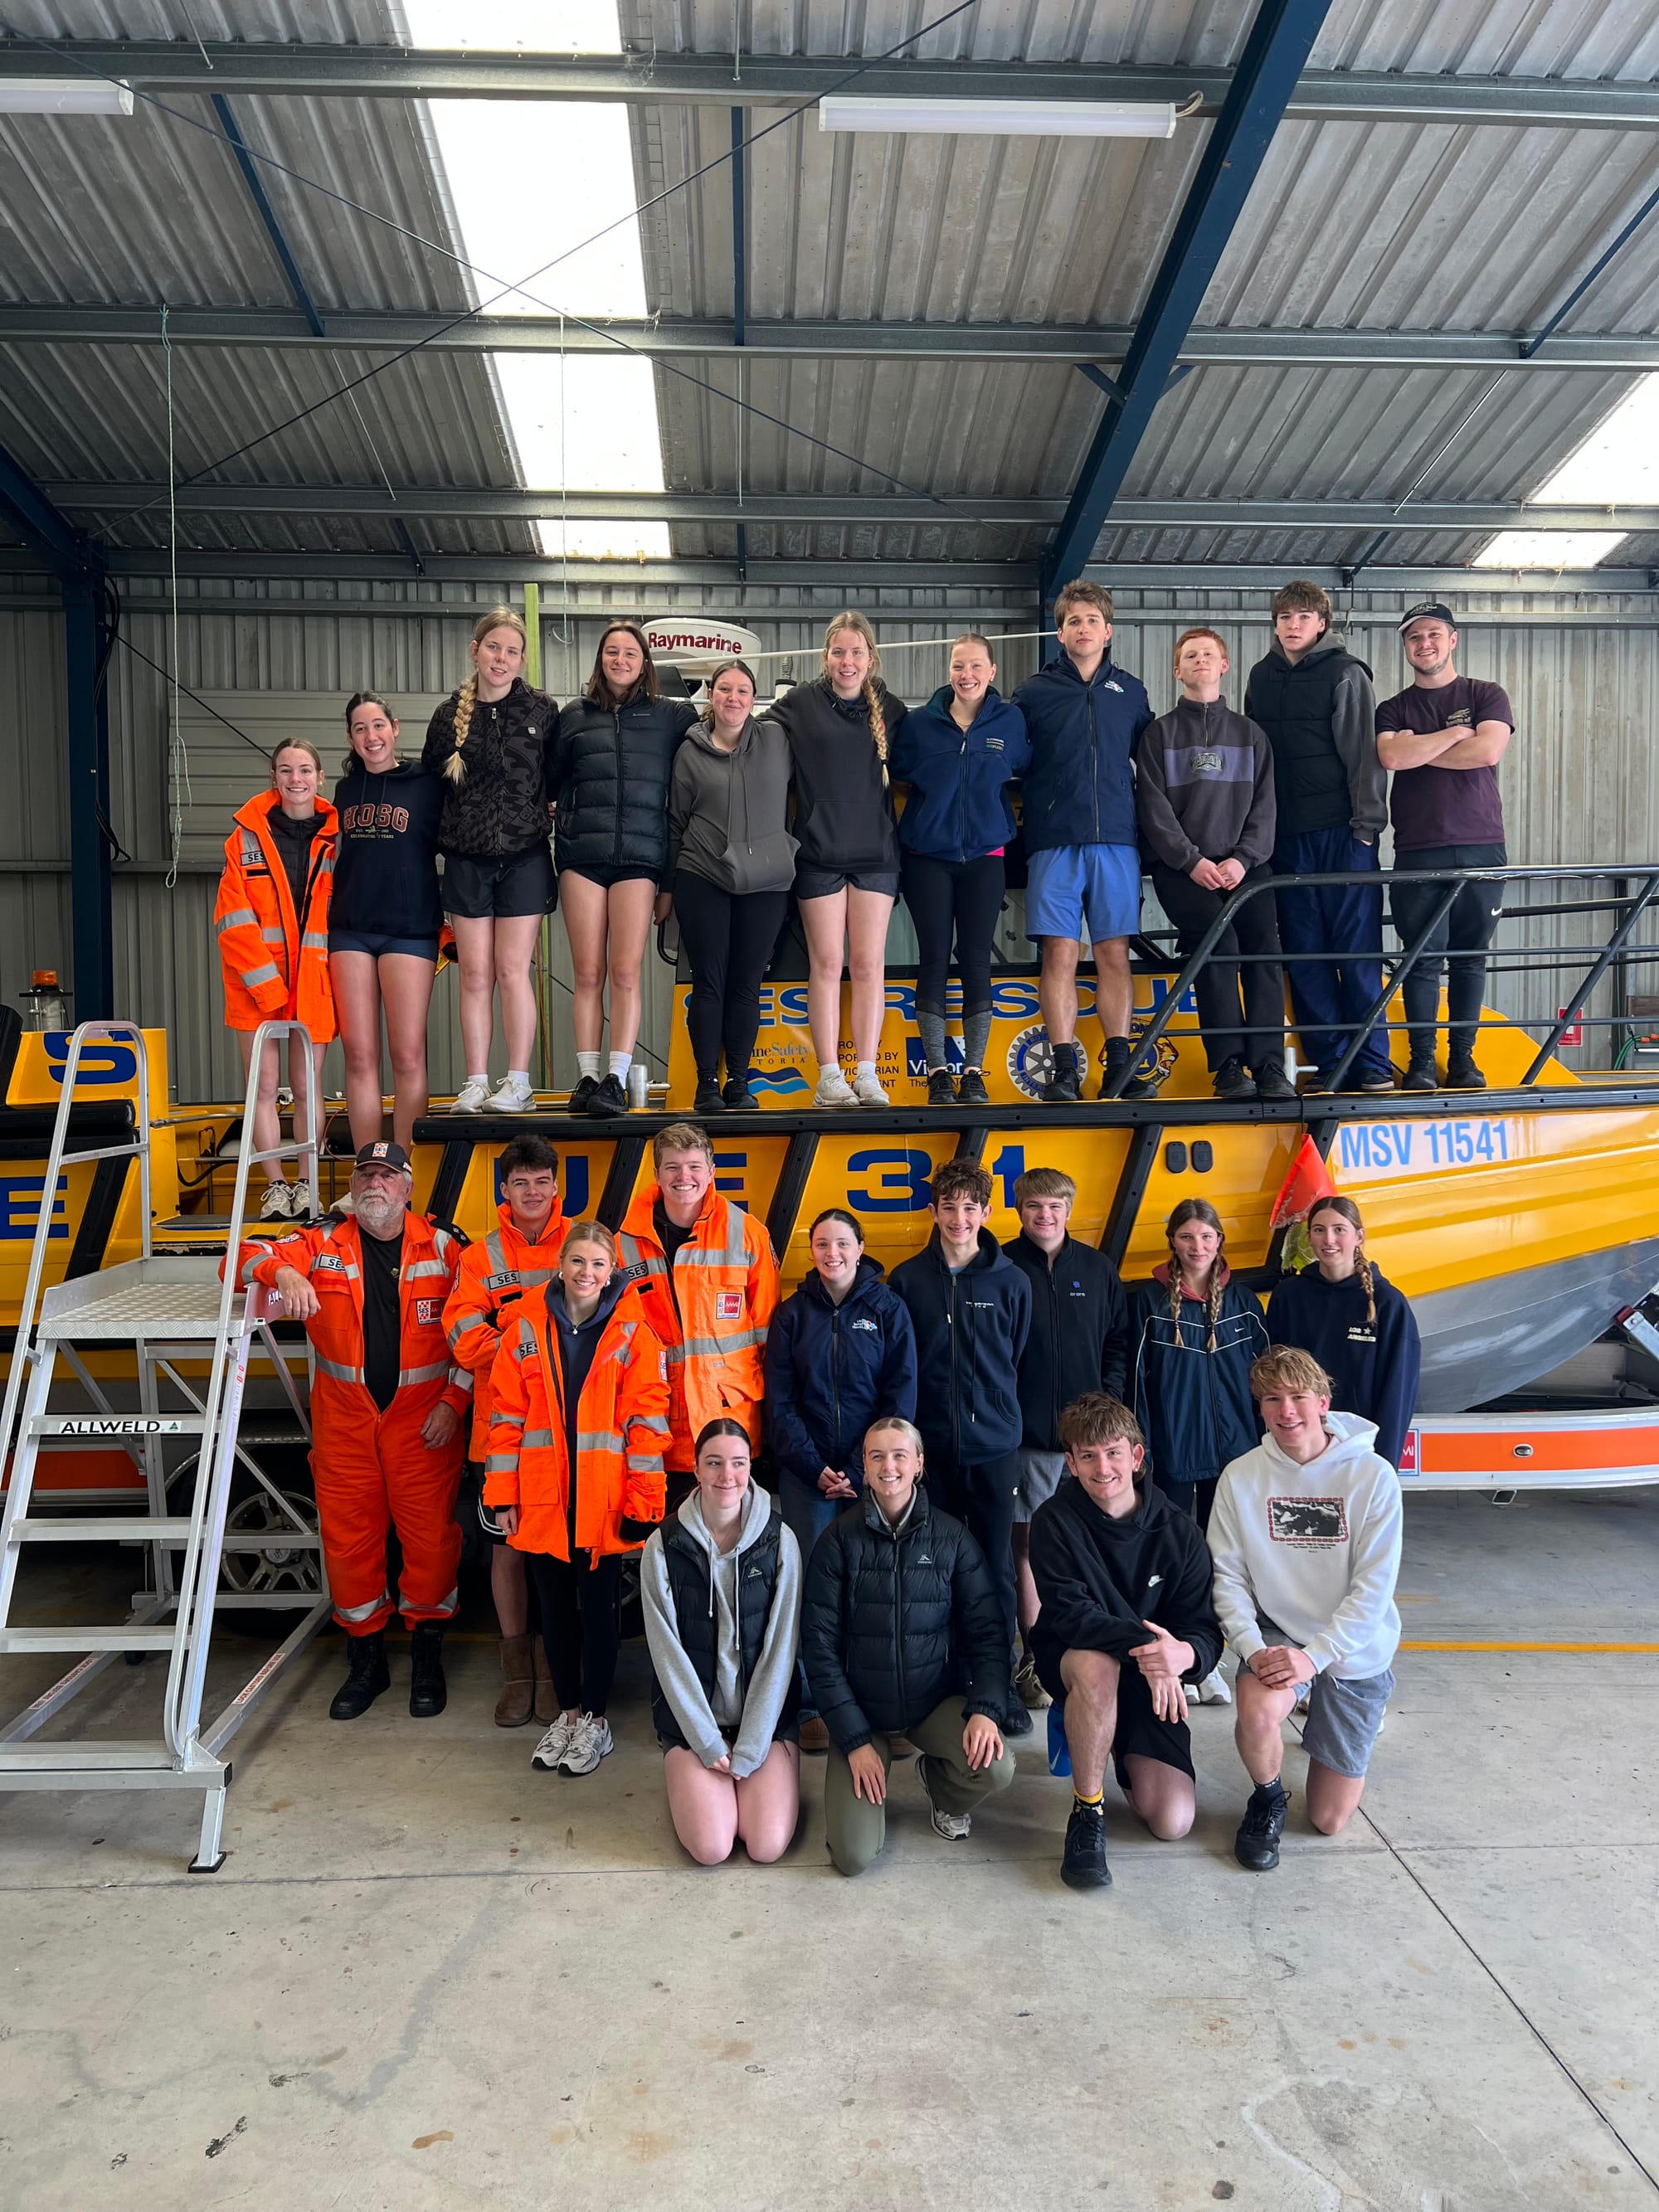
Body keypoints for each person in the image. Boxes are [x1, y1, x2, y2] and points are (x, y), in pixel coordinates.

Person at [233, 1140, 469, 1721]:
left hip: (424, 1426)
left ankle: (426, 1657)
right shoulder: (322, 1241)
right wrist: (282, 1268)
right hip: (345, 1426)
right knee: (349, 1548)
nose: (374, 1184)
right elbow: (238, 1257)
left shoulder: (445, 1247)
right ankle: (366, 1663)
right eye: (365, 1173)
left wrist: (454, 1403)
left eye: (387, 1176)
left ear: (408, 1188)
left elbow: (479, 1330)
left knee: (432, 1545)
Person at [484, 1221, 672, 1777]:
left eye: (598, 1264)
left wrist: (644, 1500)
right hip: (542, 1500)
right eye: (578, 1261)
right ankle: (566, 1716)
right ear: (560, 1264)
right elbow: (504, 1420)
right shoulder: (524, 1326)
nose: (587, 1273)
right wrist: (501, 1494)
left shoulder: (633, 1332)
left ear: (611, 1270)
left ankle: (595, 1719)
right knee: (556, 1616)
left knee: (598, 1614)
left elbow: (648, 1423)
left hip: (603, 1501)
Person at [1209, 1347, 1403, 1871]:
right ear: (1260, 1407)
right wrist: (1253, 1649)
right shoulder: (1242, 1477)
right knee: (1255, 1710)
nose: (1286, 1411)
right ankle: (1267, 1797)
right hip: (1278, 1633)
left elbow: (1373, 1588)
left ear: (1323, 1402)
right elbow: (1227, 1578)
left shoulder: (1372, 1477)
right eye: (1272, 1399)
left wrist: (1317, 1658)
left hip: (1350, 1646)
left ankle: (1345, 1709)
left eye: (1298, 1398)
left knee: (1328, 1820)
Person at [1028, 1393, 1224, 1893]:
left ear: (1136, 1458)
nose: (1102, 1467)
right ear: (1070, 1464)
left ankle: (1111, 1737)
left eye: (1113, 1452)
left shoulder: (1179, 1531)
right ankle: (1087, 1810)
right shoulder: (1054, 1521)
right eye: (1088, 1456)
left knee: (1172, 1821)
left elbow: (1202, 1629)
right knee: (1097, 1668)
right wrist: (1152, 1649)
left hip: (1150, 1674)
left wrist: (1185, 1655)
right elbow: (1073, 1619)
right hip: (1078, 1657)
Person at [800, 1417, 1015, 1874]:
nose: (889, 1466)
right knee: (853, 1858)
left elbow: (988, 1634)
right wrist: (855, 1740)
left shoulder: (952, 1538)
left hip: (931, 1704)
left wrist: (985, 1708)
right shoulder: (837, 1542)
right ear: (863, 1467)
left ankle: (940, 1786)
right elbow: (818, 1650)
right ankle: (865, 1766)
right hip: (863, 1714)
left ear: (919, 1464)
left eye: (900, 1455)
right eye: (876, 1456)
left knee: (996, 1766)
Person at [762, 1207, 917, 1750]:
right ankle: (811, 1701)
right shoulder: (790, 1315)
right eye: (822, 1244)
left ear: (860, 1247)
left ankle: (882, 1706)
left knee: (875, 1589)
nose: (832, 1253)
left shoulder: (888, 1308)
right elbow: (778, 1403)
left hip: (874, 1476)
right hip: (807, 1477)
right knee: (810, 1587)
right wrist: (814, 1466)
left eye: (842, 1243)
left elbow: (899, 1398)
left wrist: (858, 1468)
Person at [889, 1158, 1031, 1736]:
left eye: (970, 1206)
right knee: (936, 1568)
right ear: (934, 1211)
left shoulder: (1011, 1280)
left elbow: (1015, 1354)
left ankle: (997, 1686)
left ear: (987, 1212)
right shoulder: (907, 1279)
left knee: (996, 1567)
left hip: (995, 1448)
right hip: (932, 1452)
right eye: (948, 1206)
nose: (958, 1217)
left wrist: (991, 1415)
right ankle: (946, 1682)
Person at [1244, 580, 1393, 1096]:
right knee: (1304, 955)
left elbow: (1363, 756)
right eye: (1285, 616)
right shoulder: (1260, 677)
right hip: (1285, 839)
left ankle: (1372, 1063)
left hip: (1343, 834)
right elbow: (1255, 761)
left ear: (1322, 624)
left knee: (1355, 953)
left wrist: (1366, 830)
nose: (1293, 625)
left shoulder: (1346, 674)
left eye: (1304, 616)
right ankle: (1330, 1062)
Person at [1011, 581, 1155, 1103]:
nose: (1083, 628)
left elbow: (1155, 762)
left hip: (1117, 837)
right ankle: (1064, 1070)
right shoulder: (1031, 693)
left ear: (1108, 630)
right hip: (1053, 841)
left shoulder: (1132, 692)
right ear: (1060, 632)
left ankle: (1120, 1066)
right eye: (1074, 621)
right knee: (1061, 954)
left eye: (1092, 620)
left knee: (1115, 953)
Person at [1136, 628, 1294, 1103]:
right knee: (1217, 944)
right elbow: (1153, 809)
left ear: (1224, 666)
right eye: (1190, 655)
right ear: (1177, 670)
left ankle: (1268, 1066)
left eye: (1209, 654)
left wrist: (1243, 860)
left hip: (1246, 870)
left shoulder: (1250, 735)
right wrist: (1192, 861)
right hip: (1183, 872)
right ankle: (1227, 1066)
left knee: (1264, 948)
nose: (1199, 660)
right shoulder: (1158, 734)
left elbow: (1266, 807)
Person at [441, 1134, 567, 1727]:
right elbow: (464, 1335)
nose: (533, 1192)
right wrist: (530, 1348)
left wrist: (517, 1339)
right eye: (522, 1182)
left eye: (543, 1181)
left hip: (570, 1431)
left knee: (557, 1553)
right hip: (502, 1434)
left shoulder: (585, 1244)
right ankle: (517, 1672)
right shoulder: (480, 1257)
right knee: (507, 1552)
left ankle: (551, 1667)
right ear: (504, 1190)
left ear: (557, 1186)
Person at [548, 622, 698, 1116]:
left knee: (625, 973)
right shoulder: (573, 717)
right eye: (611, 652)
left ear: (645, 662)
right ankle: (588, 1076)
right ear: (601, 660)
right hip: (582, 858)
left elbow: (702, 760)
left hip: (639, 859)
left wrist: (671, 882)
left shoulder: (671, 717)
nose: (620, 659)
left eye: (630, 652)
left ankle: (616, 1076)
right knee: (587, 973)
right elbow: (550, 783)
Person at [640, 1419, 802, 1865]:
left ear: (750, 1469)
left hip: (764, 1727)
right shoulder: (663, 1546)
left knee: (766, 1846)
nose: (726, 1476)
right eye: (714, 1464)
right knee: (712, 1849)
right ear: (695, 1470)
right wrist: (708, 1744)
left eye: (737, 1463)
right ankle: (695, 1782)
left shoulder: (780, 1541)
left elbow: (780, 1652)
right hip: (696, 1729)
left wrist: (751, 1746)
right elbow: (667, 1657)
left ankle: (759, 1780)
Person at [766, 611, 909, 1106]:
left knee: (869, 965)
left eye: (856, 653)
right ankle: (830, 1075)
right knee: (827, 964)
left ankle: (867, 1073)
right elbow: (747, 735)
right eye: (838, 652)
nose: (847, 662)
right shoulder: (798, 704)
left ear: (871, 658)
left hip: (876, 854)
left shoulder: (889, 708)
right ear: (825, 656)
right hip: (818, 854)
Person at [1128, 1197, 1267, 1704]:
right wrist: (1141, 1447)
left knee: (1226, 1559)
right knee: (1174, 1557)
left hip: (1236, 1454)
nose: (1197, 1246)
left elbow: (1265, 1381)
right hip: (1172, 1454)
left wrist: (1264, 1445)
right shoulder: (1147, 1304)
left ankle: (1212, 1656)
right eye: (1187, 1237)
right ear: (1173, 1243)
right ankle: (1177, 1656)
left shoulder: (1245, 1304)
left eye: (1206, 1237)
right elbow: (1137, 1384)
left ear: (1220, 1242)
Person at [421, 606, 558, 1116]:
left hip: (523, 859)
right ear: (475, 650)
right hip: (466, 861)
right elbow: (433, 787)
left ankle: (517, 1082)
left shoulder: (543, 712)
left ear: (523, 660)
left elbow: (557, 778)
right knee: (474, 974)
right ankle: (476, 1081)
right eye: (493, 647)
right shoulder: (446, 716)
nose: (502, 658)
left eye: (512, 651)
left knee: (511, 970)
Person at [1005, 1166, 1131, 1713]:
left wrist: (1110, 1408)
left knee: (1095, 1544)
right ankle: (1033, 1660)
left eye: (1055, 1205)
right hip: (1027, 1439)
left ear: (1069, 1209)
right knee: (1028, 1547)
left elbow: (1119, 1344)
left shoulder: (1098, 1269)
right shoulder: (1001, 1265)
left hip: (1090, 1443)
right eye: (1034, 1205)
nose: (1045, 1215)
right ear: (1019, 1209)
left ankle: (1100, 1651)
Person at [1376, 601, 1515, 1091]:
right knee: (1421, 959)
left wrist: (1425, 748)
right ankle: (1420, 1064)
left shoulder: (1486, 694)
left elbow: (1488, 749)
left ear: (1452, 639)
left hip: (1481, 844)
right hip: (1418, 848)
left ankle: (1462, 1061)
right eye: (1414, 637)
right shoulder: (1393, 708)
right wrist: (1455, 734)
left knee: (1469, 957)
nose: (1425, 644)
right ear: (1407, 647)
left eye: (1433, 634)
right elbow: (1392, 754)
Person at [889, 633, 1030, 1104]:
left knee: (975, 960)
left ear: (992, 673)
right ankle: (936, 1075)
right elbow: (895, 777)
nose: (965, 675)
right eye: (957, 667)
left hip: (986, 858)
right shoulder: (918, 725)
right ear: (948, 672)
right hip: (928, 858)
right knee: (934, 958)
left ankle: (973, 1072)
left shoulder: (1010, 722)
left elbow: (1025, 769)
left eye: (975, 667)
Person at [213, 738, 337, 1223]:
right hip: (254, 982)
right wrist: (266, 985)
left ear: (320, 777)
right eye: (285, 770)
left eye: (305, 769)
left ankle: (308, 1185)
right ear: (275, 779)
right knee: (263, 1087)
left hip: (314, 981)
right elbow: (232, 918)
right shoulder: (245, 838)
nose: (296, 778)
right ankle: (277, 1187)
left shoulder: (339, 835)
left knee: (307, 1087)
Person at [664, 659, 795, 1114]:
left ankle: (738, 1082)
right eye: (724, 689)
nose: (733, 698)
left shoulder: (778, 739)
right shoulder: (689, 752)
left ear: (755, 700)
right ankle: (706, 1084)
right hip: (703, 876)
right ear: (710, 696)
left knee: (746, 985)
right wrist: (666, 886)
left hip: (768, 882)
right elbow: (676, 821)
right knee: (709, 983)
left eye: (742, 691)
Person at [616, 1122, 781, 1483]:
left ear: (711, 1173)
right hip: (659, 1425)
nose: (683, 1176)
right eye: (672, 1167)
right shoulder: (624, 1243)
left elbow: (769, 1334)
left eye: (693, 1166)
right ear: (657, 1174)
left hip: (731, 1422)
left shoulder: (748, 1232)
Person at [328, 692, 445, 1152]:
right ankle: (367, 1168)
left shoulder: (427, 785)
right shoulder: (343, 791)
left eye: (378, 725)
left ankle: (403, 1172)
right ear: (351, 738)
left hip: (410, 929)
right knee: (359, 1057)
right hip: (350, 929)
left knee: (407, 1055)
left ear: (394, 728)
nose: (370, 736)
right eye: (360, 729)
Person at [1265, 1196, 1421, 1471]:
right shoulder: (1288, 1296)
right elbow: (1271, 1380)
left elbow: (1396, 1395)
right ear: (1309, 1237)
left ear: (1359, 1236)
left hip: (1357, 1451)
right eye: (1319, 1230)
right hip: (1298, 1449)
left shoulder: (1387, 1304)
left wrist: (1382, 1465)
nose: (1329, 1239)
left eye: (1339, 1229)